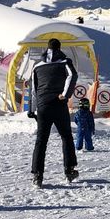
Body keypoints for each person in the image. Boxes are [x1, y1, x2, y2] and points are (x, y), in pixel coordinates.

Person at [27, 38, 79, 188]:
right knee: (66, 136)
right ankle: (69, 171)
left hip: (43, 106)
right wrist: (65, 94)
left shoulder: (37, 66)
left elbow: (33, 89)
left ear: (47, 48)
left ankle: (37, 175)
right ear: (59, 48)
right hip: (58, 104)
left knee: (41, 140)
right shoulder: (65, 62)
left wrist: (32, 109)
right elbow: (72, 75)